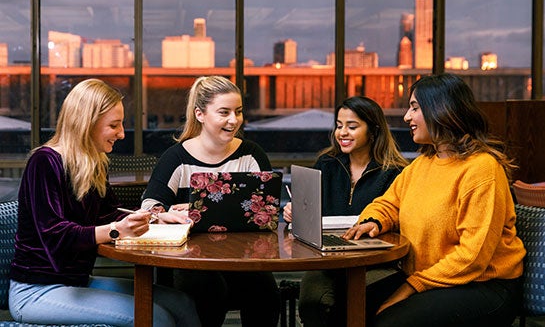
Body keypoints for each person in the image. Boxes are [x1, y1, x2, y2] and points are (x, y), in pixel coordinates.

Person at [9, 78, 200, 327]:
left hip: (77, 281)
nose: (121, 134)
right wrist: (115, 230)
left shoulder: (93, 163)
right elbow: (54, 236)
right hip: (36, 291)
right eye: (114, 125)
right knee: (157, 317)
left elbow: (109, 214)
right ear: (86, 123)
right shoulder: (45, 162)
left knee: (182, 303)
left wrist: (154, 217)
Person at [343, 73, 526, 327]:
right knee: (341, 309)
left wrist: (410, 287)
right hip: (429, 278)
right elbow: (388, 203)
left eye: (414, 108)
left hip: (482, 284)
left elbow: (472, 258)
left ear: (441, 110)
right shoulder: (423, 164)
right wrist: (373, 221)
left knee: (389, 323)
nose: (407, 117)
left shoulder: (482, 169)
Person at [141, 75, 281, 327]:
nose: (233, 120)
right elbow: (149, 206)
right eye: (224, 112)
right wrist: (164, 214)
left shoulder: (251, 155)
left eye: (238, 112)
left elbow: (268, 211)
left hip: (244, 259)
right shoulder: (176, 158)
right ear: (200, 114)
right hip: (190, 261)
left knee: (266, 293)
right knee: (207, 289)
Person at [282, 96, 409, 326]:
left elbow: (400, 221)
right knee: (313, 302)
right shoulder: (327, 163)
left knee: (354, 303)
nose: (342, 133)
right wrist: (294, 211)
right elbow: (310, 211)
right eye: (339, 126)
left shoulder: (395, 172)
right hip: (327, 258)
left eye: (352, 126)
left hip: (374, 259)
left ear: (373, 130)